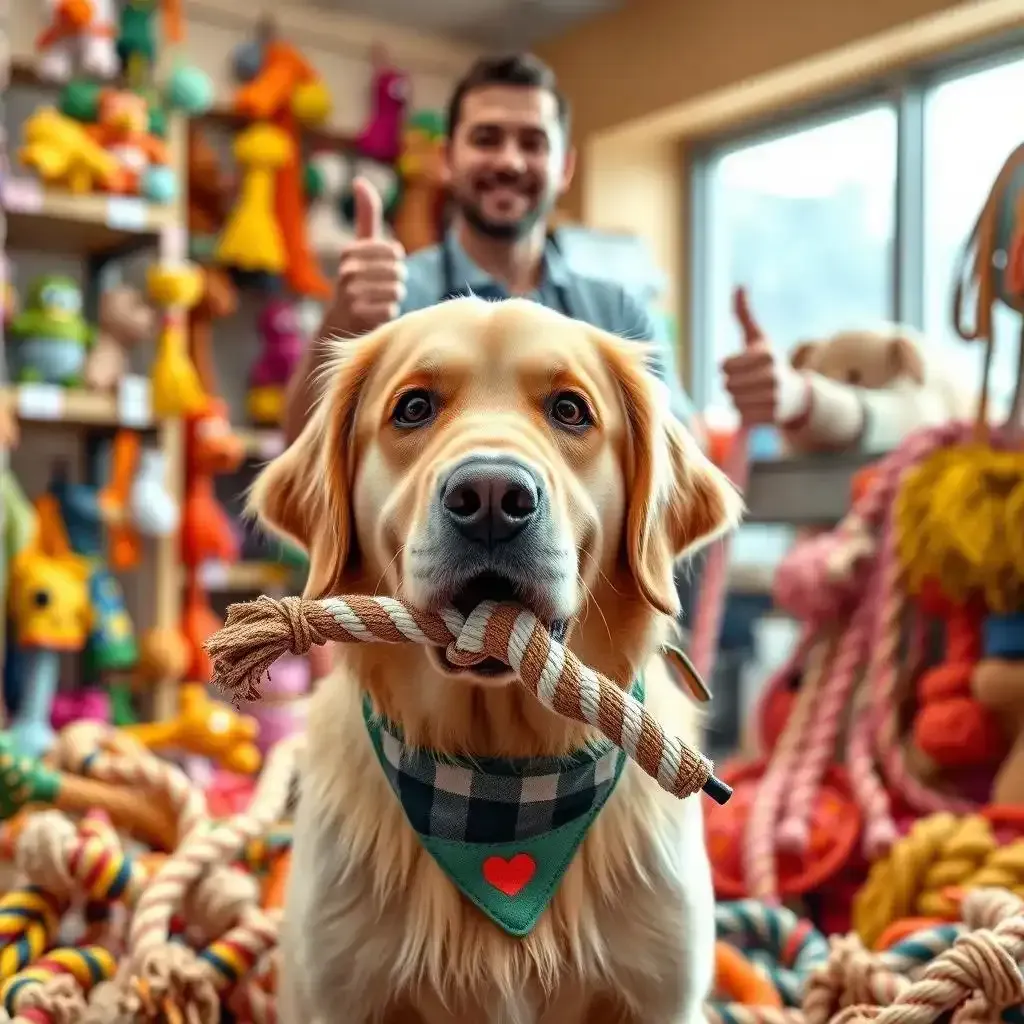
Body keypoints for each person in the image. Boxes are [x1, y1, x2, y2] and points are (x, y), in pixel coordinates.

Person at [284, 52, 693, 443]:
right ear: (446, 158)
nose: (509, 162)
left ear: (564, 168)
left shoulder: (617, 316)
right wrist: (340, 323)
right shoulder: (389, 302)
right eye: (486, 139)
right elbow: (304, 457)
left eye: (533, 143)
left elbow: (681, 468)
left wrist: (749, 421)